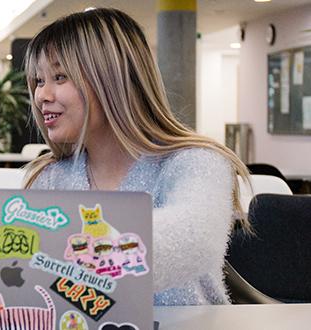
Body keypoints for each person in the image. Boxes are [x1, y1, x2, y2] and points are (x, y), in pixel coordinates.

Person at [22, 8, 251, 306]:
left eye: (59, 77)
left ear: (112, 79)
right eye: (39, 81)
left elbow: (194, 240)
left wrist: (61, 256)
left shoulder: (195, 162)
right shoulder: (50, 177)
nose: (42, 95)